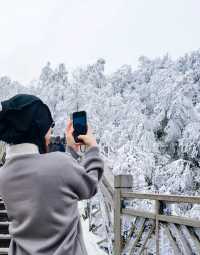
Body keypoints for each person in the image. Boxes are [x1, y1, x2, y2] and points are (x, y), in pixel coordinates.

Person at [0, 94, 104, 255]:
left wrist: (71, 155)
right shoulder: (61, 164)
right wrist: (92, 150)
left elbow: (46, 176)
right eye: (50, 128)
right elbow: (89, 186)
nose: (50, 136)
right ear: (38, 129)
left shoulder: (4, 174)